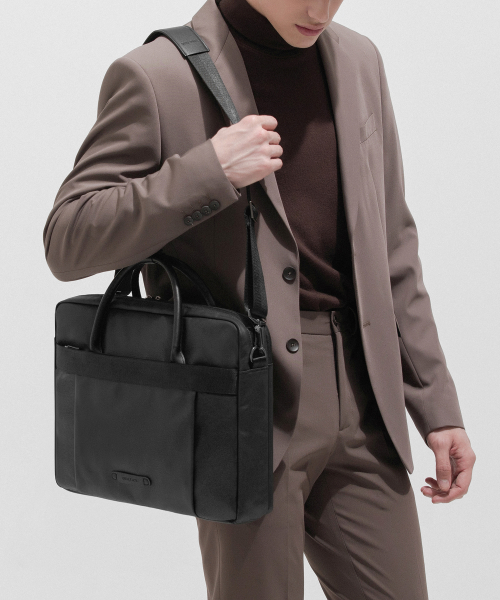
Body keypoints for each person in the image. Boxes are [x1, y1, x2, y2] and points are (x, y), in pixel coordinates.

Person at [43, 0, 476, 598]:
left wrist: (435, 404)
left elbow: (392, 244)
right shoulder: (158, 74)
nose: (321, 7)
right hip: (242, 404)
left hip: (365, 396)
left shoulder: (358, 60)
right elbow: (68, 239)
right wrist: (208, 171)